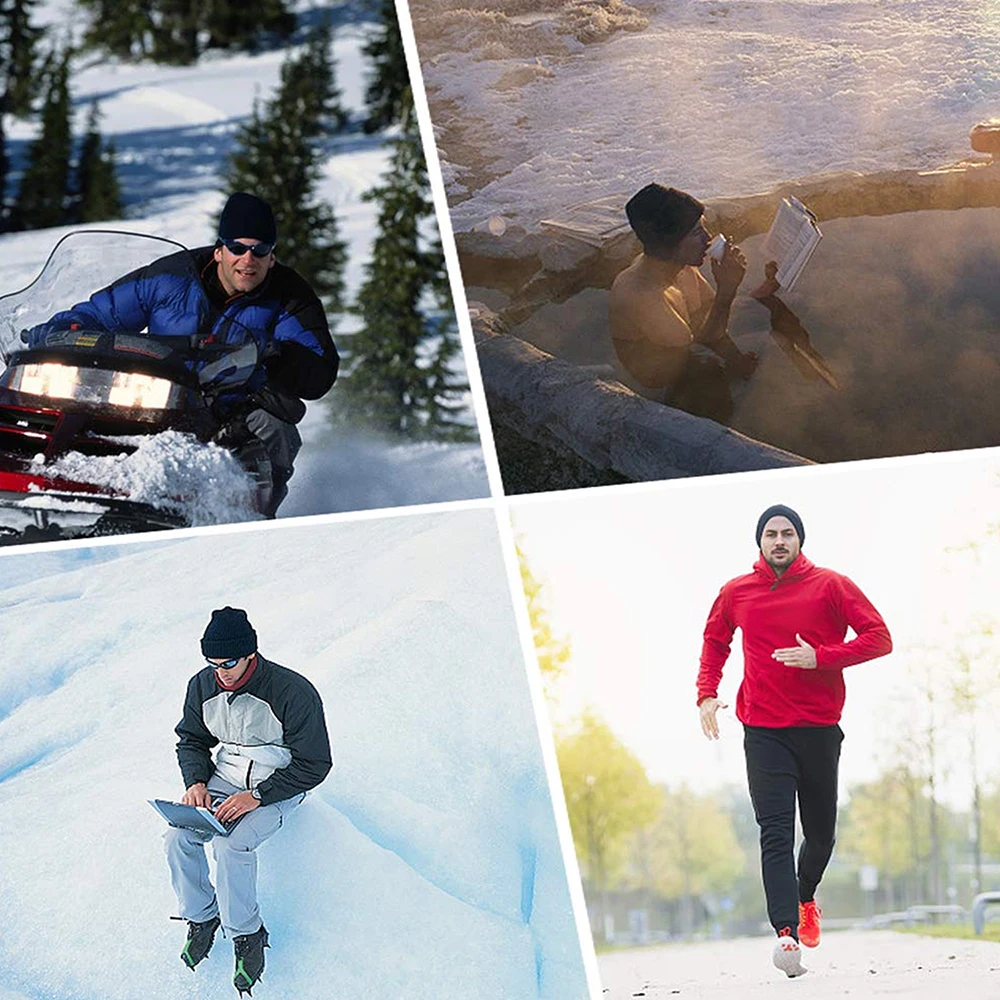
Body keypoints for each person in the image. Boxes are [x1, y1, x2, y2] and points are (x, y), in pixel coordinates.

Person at [24, 192, 339, 517]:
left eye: (260, 251)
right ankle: (39, 477)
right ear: (220, 250)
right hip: (154, 396)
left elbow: (319, 370)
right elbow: (101, 313)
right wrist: (61, 330)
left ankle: (253, 520)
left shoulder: (289, 297)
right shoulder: (170, 278)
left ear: (272, 257)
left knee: (275, 428)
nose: (248, 260)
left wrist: (276, 354)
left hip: (228, 410)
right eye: (238, 248)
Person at [696, 505, 891, 977]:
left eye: (787, 533)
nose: (779, 541)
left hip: (819, 729)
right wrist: (706, 695)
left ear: (800, 540)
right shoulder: (736, 592)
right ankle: (785, 933)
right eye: (770, 534)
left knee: (821, 832)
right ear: (759, 542)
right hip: (763, 731)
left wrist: (819, 657)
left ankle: (805, 898)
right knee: (775, 833)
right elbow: (715, 642)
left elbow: (879, 638)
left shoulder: (831, 585)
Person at [165, 607, 333, 996]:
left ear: (251, 656)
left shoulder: (292, 692)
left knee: (231, 844)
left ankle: (247, 934)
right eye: (213, 663)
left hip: (279, 784)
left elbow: (316, 764)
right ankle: (203, 918)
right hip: (224, 779)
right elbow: (191, 739)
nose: (221, 671)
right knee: (178, 837)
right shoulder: (202, 686)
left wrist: (257, 796)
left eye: (229, 662)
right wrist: (196, 782)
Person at [609, 183, 760, 413]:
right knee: (717, 394)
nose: (708, 239)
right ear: (669, 243)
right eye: (696, 233)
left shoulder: (681, 267)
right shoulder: (644, 296)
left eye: (704, 228)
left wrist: (736, 360)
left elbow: (708, 317)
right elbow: (698, 346)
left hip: (683, 343)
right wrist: (727, 290)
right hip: (660, 371)